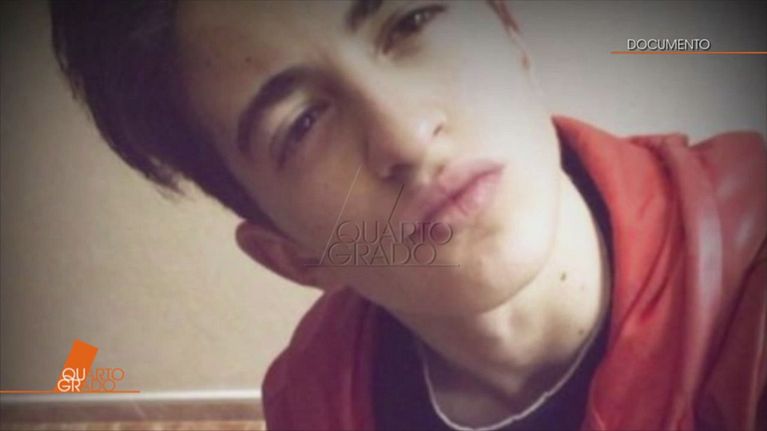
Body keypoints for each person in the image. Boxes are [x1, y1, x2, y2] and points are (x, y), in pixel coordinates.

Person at [49, 1, 766, 429]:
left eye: (411, 19)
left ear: (509, 33)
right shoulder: (308, 400)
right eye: (301, 124)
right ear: (292, 255)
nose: (406, 135)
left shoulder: (749, 289)